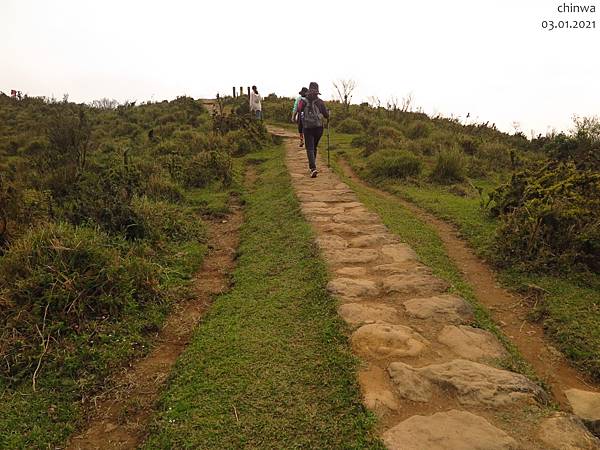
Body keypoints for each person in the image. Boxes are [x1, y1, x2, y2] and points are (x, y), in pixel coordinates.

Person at [297, 82, 329, 178]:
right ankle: (313, 166)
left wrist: (300, 126)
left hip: (307, 127)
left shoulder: (303, 102)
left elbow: (299, 112)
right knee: (314, 147)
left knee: (309, 148)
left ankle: (313, 168)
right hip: (319, 128)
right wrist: (328, 114)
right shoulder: (320, 102)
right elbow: (326, 115)